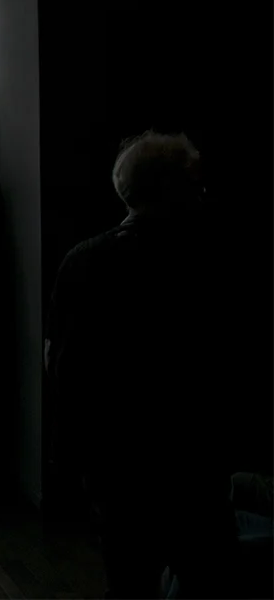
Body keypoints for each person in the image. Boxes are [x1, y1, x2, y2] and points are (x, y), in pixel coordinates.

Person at [47, 132, 237, 599]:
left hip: (118, 463)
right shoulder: (210, 259)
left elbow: (66, 368)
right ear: (177, 187)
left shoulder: (85, 261)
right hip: (194, 458)